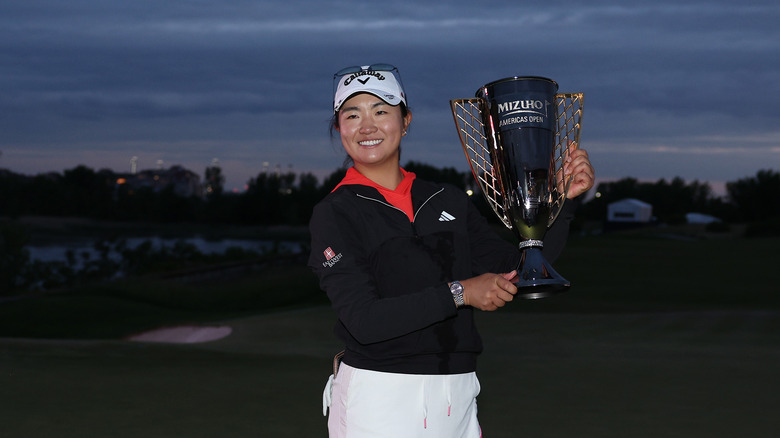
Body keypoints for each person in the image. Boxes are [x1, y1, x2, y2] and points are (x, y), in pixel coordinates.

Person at [308, 63, 595, 438]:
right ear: (339, 129)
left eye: (381, 111)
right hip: (379, 395)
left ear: (405, 120)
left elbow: (517, 269)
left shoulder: (446, 199)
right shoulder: (335, 212)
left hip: (458, 393)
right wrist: (462, 292)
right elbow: (364, 320)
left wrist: (562, 202)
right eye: (352, 114)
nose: (367, 126)